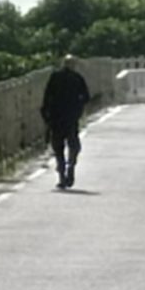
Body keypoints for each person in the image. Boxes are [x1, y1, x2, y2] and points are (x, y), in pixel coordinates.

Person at [41, 55, 91, 189]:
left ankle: (62, 174)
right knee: (74, 145)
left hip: (56, 118)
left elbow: (46, 97)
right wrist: (78, 108)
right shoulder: (77, 78)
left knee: (58, 147)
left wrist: (46, 115)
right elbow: (86, 97)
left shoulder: (55, 77)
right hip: (71, 118)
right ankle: (71, 166)